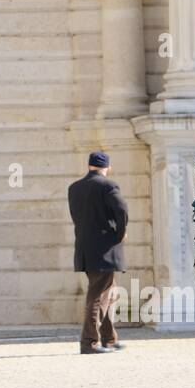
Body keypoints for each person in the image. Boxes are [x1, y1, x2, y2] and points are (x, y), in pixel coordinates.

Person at [68, 151, 128, 354]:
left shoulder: (74, 188)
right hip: (104, 248)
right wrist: (120, 235)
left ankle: (109, 339)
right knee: (98, 295)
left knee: (108, 293)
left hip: (84, 247)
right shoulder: (108, 185)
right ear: (107, 167)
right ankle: (89, 342)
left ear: (89, 165)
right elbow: (122, 211)